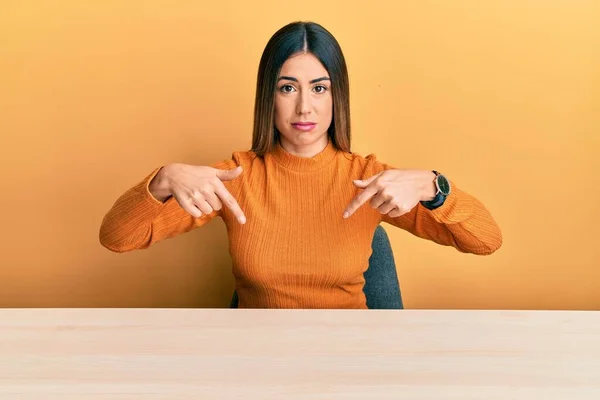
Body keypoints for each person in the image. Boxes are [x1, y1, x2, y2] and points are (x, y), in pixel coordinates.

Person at [99, 21, 502, 309]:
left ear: (335, 97)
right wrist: (162, 180)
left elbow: (486, 240)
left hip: (349, 369)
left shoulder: (369, 180)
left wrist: (435, 187)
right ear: (268, 97)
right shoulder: (236, 177)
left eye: (319, 88)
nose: (304, 106)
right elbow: (117, 238)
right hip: (258, 368)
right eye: (288, 87)